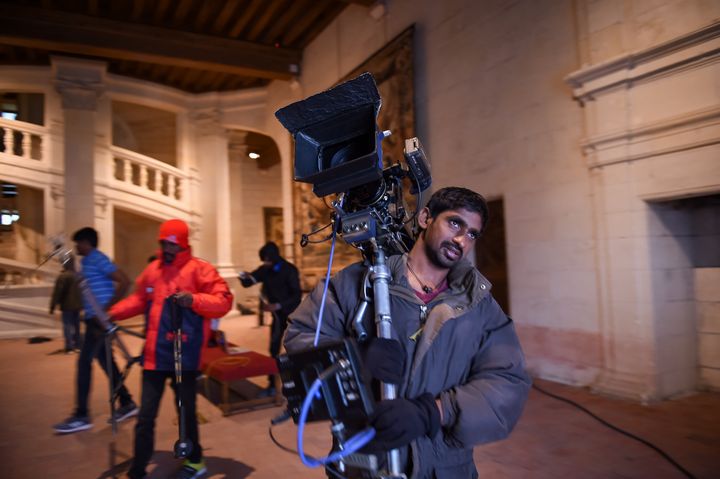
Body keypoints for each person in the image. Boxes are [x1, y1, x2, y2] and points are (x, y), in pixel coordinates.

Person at [284, 187, 532, 478]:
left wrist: (435, 412)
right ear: (426, 217)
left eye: (472, 234)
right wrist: (354, 359)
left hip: (445, 466)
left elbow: (508, 379)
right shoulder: (356, 284)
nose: (461, 239)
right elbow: (300, 337)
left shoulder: (478, 303)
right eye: (454, 223)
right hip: (366, 458)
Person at [109, 219, 233, 479]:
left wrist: (194, 299)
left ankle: (196, 462)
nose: (167, 248)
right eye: (164, 243)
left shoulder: (200, 270)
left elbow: (223, 301)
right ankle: (138, 468)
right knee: (145, 418)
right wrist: (112, 314)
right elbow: (139, 299)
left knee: (185, 413)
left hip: (183, 358)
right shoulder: (153, 270)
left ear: (183, 244)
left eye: (172, 244)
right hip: (154, 357)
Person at [53, 227, 136, 434]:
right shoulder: (87, 262)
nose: (76, 247)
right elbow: (79, 278)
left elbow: (125, 281)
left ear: (87, 243)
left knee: (84, 364)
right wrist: (62, 255)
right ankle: (127, 402)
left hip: (99, 321)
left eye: (78, 243)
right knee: (107, 363)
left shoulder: (98, 258)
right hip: (94, 319)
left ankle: (82, 415)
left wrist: (107, 309)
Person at [239, 241, 301, 395]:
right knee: (273, 349)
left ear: (274, 258)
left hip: (292, 315)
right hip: (277, 318)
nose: (265, 263)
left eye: (267, 260)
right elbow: (249, 281)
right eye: (263, 260)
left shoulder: (289, 270)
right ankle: (272, 386)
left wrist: (278, 305)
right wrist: (244, 277)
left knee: (295, 349)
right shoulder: (265, 270)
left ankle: (298, 384)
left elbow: (296, 296)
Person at [49, 255, 82, 353]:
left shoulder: (62, 277)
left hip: (67, 305)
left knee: (67, 326)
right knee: (76, 325)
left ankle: (69, 347)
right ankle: (77, 345)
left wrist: (52, 306)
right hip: (77, 305)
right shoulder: (78, 275)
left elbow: (57, 293)